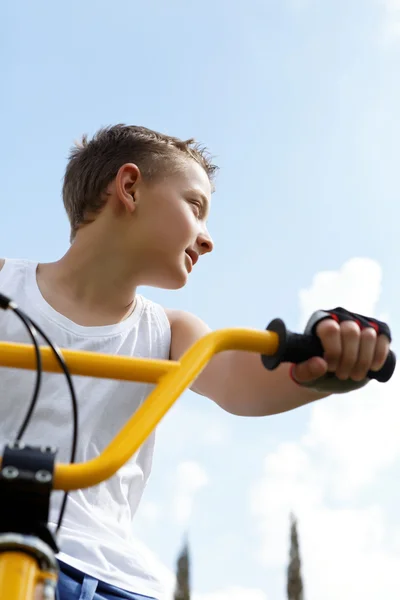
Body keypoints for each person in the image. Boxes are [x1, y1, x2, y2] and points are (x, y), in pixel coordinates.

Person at [0, 125, 391, 600]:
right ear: (129, 188)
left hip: (106, 577)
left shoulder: (171, 333)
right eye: (196, 207)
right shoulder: (7, 285)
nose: (207, 240)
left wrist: (327, 362)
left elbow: (240, 380)